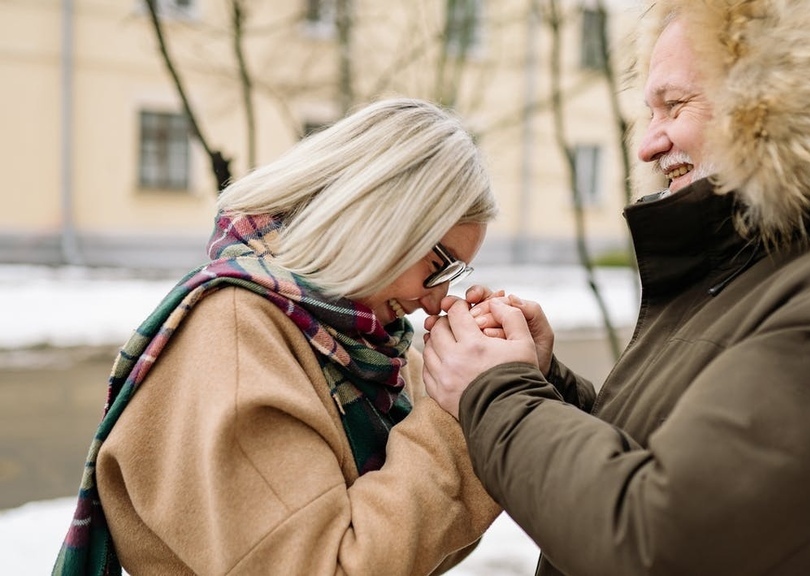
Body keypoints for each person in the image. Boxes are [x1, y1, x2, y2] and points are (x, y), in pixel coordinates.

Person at [421, 1, 810, 574]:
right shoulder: (758, 264)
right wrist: (542, 382)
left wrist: (494, 392)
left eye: (674, 106)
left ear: (779, 100)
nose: (647, 145)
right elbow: (661, 458)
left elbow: (669, 544)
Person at [53, 97, 501, 575]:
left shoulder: (366, 344)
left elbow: (422, 548)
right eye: (438, 266)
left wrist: (501, 384)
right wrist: (458, 412)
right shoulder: (237, 342)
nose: (436, 301)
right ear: (382, 219)